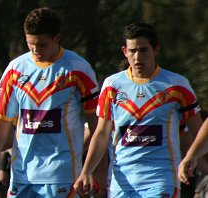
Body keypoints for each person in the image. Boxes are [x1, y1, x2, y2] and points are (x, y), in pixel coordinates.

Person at [73, 22, 203, 198]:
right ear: (124, 51)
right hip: (122, 183)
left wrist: (192, 158)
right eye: (132, 51)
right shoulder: (112, 86)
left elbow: (199, 132)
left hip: (161, 180)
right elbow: (102, 133)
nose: (137, 57)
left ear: (156, 49)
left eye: (143, 50)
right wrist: (87, 171)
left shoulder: (177, 85)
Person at [0, 7, 99, 197]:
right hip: (21, 175)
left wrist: (93, 170)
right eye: (30, 44)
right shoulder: (15, 69)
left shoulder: (78, 69)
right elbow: (2, 120)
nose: (35, 50)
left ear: (56, 38)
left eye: (42, 44)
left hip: (62, 176)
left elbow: (96, 126)